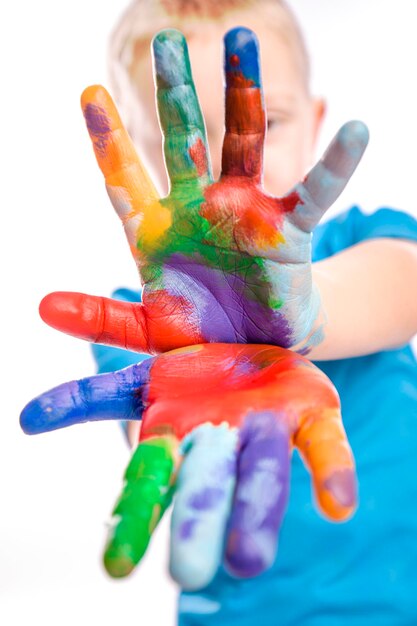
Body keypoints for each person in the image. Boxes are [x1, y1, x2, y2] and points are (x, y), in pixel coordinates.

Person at [38, 1, 417, 624]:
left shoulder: (367, 240)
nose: (228, 167)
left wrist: (299, 313)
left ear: (316, 119)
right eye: (189, 138)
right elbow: (165, 440)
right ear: (136, 153)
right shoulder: (143, 323)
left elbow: (402, 287)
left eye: (270, 119)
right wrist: (201, 373)